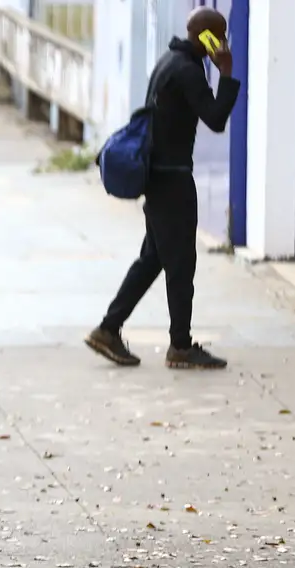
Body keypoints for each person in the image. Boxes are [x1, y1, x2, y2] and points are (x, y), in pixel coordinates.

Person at [86, 6, 239, 370]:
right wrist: (227, 74)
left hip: (160, 177)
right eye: (220, 34)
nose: (223, 42)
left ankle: (108, 329)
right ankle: (180, 347)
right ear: (207, 37)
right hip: (172, 180)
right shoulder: (188, 71)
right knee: (181, 263)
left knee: (154, 258)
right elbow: (216, 118)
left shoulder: (170, 60)